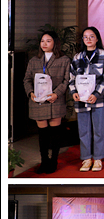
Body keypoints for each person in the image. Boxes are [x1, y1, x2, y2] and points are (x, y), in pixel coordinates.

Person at [23, 31, 71, 174]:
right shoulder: (34, 60)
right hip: (38, 101)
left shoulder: (64, 60)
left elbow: (67, 80)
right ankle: (44, 161)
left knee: (55, 134)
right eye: (42, 41)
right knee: (43, 134)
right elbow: (26, 79)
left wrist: (57, 93)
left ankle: (54, 161)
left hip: (55, 100)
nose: (44, 44)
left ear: (55, 43)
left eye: (48, 41)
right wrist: (30, 92)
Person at [69, 26, 104, 172]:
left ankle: (98, 159)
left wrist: (96, 94)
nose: (88, 39)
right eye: (85, 37)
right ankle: (86, 159)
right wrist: (73, 92)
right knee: (83, 131)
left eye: (91, 36)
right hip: (81, 100)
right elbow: (71, 77)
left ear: (97, 38)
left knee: (99, 130)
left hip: (98, 100)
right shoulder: (77, 57)